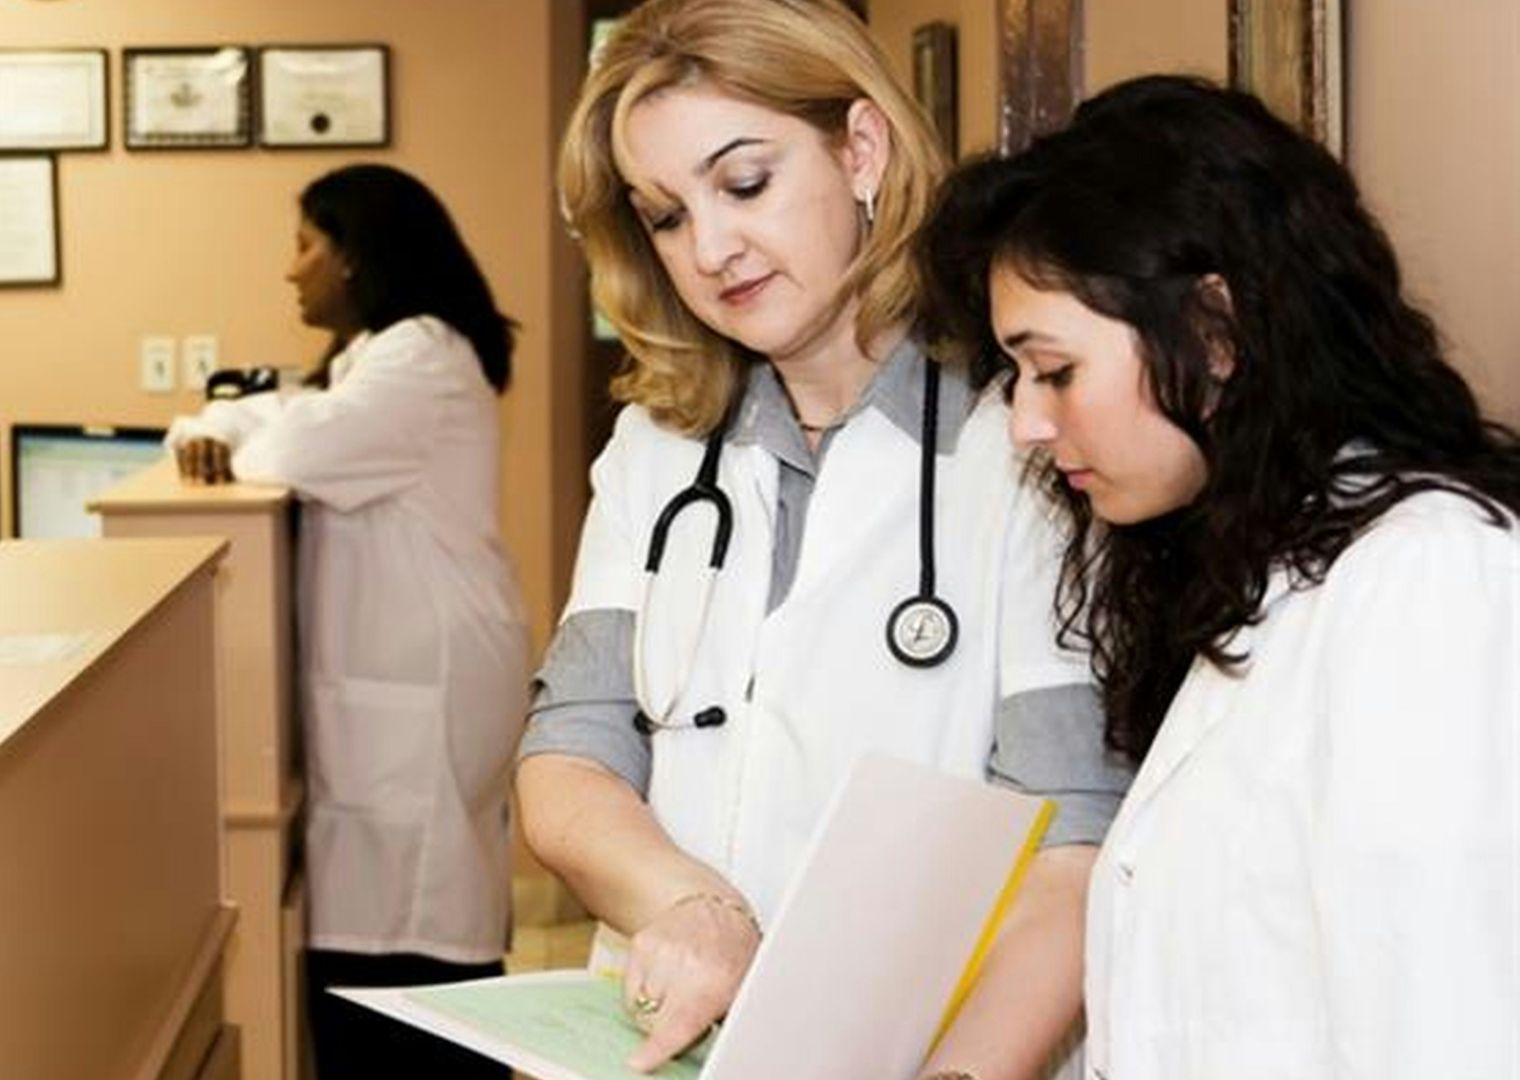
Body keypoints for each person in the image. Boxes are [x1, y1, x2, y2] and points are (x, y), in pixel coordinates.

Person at [517, 1, 1134, 1076]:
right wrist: (692, 907)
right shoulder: (657, 449)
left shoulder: (1028, 437)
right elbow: (569, 756)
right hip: (671, 1044)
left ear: (861, 149)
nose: (710, 249)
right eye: (666, 217)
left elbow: (1072, 839)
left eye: (745, 183)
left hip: (935, 1048)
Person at [920, 74, 1519, 1078]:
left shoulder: (1431, 581)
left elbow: (1449, 1034)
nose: (1025, 424)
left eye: (1055, 371)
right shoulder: (1244, 581)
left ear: (1214, 331)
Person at [165, 163, 529, 1080]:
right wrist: (218, 422)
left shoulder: (420, 354)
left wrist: (231, 427)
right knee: (394, 924)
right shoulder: (379, 355)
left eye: (305, 246)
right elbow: (278, 411)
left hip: (425, 682)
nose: (290, 270)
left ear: (356, 255)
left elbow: (288, 445)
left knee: (413, 952)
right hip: (410, 673)